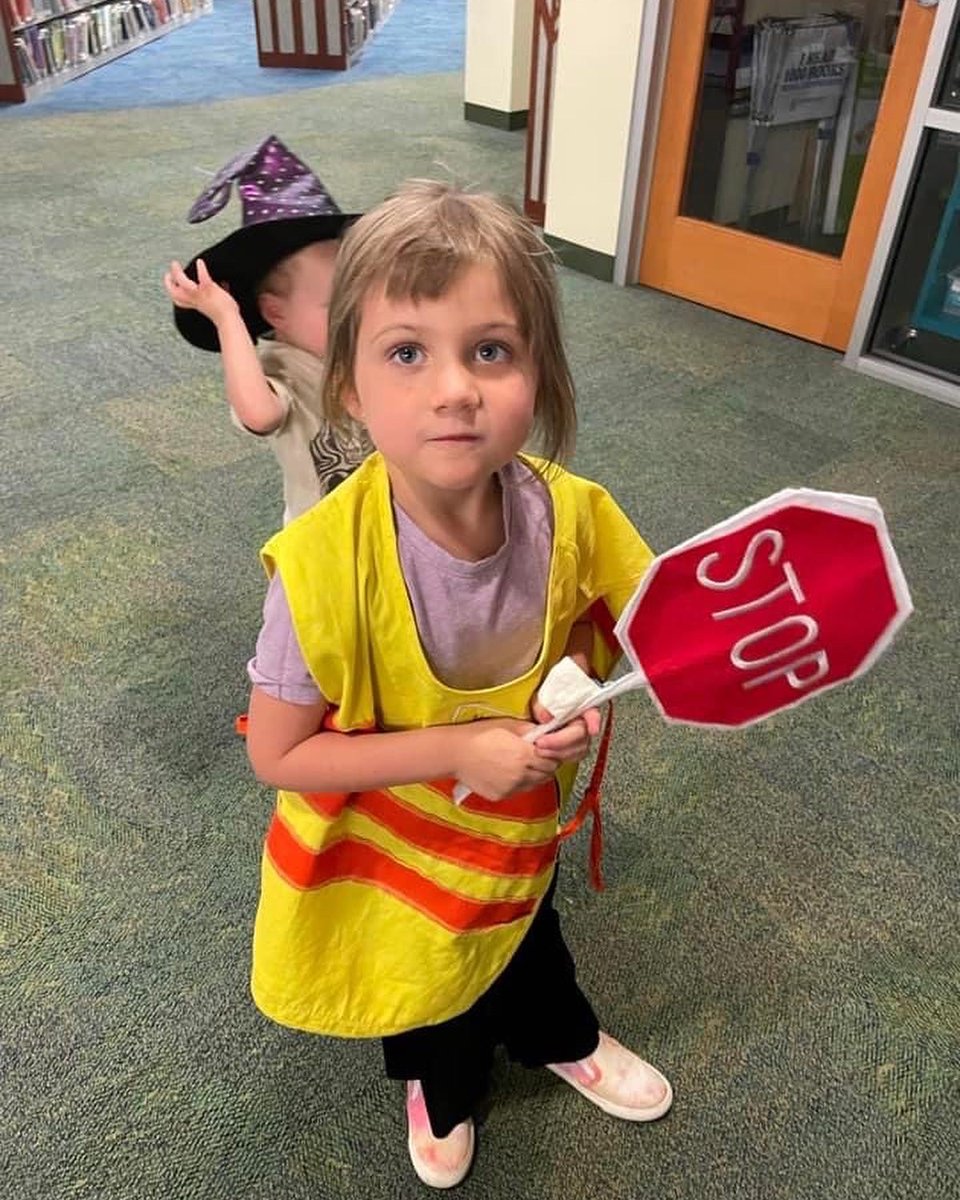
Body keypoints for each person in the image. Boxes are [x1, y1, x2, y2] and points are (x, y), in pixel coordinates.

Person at [244, 180, 673, 1189]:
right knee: (433, 995)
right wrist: (456, 748)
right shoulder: (316, 570)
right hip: (392, 861)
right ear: (345, 383)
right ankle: (441, 1088)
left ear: (539, 372)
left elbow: (629, 621)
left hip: (516, 838)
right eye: (407, 352)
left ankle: (562, 1037)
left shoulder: (572, 513)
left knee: (532, 950)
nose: (454, 390)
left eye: (491, 350)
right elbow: (277, 752)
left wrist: (575, 686)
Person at [164, 135, 371, 522]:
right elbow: (260, 416)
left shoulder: (364, 349)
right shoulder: (283, 369)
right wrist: (228, 318)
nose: (355, 315)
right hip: (321, 539)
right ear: (275, 313)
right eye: (335, 306)